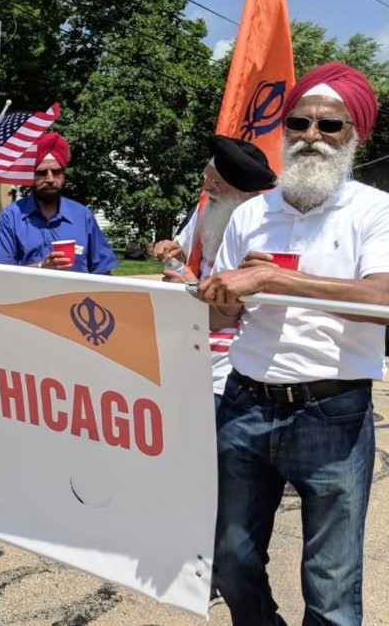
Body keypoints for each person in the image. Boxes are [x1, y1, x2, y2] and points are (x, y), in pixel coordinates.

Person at [199, 62, 388, 626]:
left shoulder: (374, 211)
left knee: (331, 590)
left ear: (357, 135)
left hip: (333, 410)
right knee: (230, 561)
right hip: (244, 404)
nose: (311, 136)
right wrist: (221, 297)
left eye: (329, 126)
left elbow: (381, 297)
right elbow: (218, 319)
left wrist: (277, 280)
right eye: (300, 122)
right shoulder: (253, 212)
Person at [156, 135, 277, 405]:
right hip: (194, 350)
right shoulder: (205, 211)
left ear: (241, 192)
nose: (207, 188)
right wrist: (172, 249)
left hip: (230, 367)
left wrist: (191, 285)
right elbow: (184, 249)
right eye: (205, 178)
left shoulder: (265, 228)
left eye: (216, 182)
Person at [0, 131, 117, 273]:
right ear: (31, 174)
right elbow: (1, 274)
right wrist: (41, 268)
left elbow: (103, 271)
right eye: (42, 173)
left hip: (75, 294)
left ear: (64, 173)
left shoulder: (82, 216)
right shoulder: (11, 218)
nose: (50, 179)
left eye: (56, 172)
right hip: (30, 295)